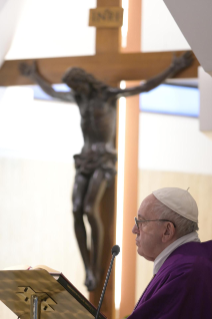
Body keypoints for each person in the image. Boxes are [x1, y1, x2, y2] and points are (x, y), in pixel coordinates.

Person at [19, 53, 192, 291]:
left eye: (77, 84)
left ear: (85, 80)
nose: (75, 89)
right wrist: (34, 76)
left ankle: (96, 267)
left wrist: (173, 68)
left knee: (90, 209)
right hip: (84, 158)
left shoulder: (107, 95)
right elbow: (53, 92)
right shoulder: (81, 98)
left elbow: (145, 86)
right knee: (76, 210)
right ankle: (89, 268)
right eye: (73, 87)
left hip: (103, 159)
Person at [130, 187, 212, 318]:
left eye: (141, 222)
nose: (134, 230)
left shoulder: (185, 272)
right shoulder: (182, 264)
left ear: (167, 231)